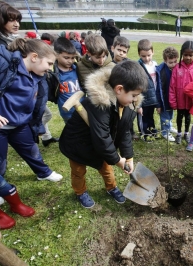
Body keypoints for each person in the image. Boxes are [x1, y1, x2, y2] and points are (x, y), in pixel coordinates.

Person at [0, 38, 63, 185]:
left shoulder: (37, 75)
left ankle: (43, 173)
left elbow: (38, 103)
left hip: (19, 124)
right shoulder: (5, 66)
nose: (50, 69)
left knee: (32, 151)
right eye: (49, 63)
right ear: (34, 57)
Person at [59, 61, 148, 208]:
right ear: (119, 89)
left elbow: (125, 131)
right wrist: (118, 160)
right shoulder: (99, 105)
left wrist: (128, 157)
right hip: (78, 144)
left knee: (107, 170)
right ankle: (80, 192)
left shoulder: (127, 104)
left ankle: (111, 187)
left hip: (100, 147)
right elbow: (102, 138)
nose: (135, 99)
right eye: (133, 95)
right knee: (78, 171)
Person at [169, 41, 193, 144]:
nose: (188, 57)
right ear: (182, 54)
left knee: (188, 117)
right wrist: (173, 101)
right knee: (179, 116)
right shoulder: (177, 68)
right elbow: (172, 86)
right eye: (185, 55)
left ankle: (186, 133)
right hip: (180, 100)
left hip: (191, 101)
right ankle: (179, 133)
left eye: (190, 55)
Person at [50, 37, 83, 123]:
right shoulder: (53, 74)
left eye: (72, 58)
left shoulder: (77, 68)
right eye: (66, 58)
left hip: (82, 108)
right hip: (67, 112)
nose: (70, 61)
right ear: (56, 55)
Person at [137, 39, 160, 142]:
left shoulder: (155, 65)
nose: (146, 58)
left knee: (150, 116)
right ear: (139, 54)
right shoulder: (138, 67)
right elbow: (136, 86)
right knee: (143, 117)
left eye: (149, 55)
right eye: (143, 56)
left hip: (153, 97)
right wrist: (139, 105)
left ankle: (151, 130)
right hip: (143, 98)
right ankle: (144, 133)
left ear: (153, 52)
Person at [156, 47, 179, 142]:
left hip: (172, 97)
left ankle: (169, 126)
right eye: (171, 62)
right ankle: (165, 131)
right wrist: (158, 104)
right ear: (165, 61)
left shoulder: (176, 68)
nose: (173, 64)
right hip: (164, 98)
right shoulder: (160, 70)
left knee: (170, 114)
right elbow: (158, 89)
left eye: (175, 61)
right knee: (165, 116)